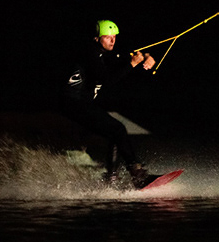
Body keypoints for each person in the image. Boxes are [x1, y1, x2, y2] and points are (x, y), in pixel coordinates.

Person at [60, 19, 157, 188]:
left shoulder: (106, 51)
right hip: (72, 104)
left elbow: (130, 52)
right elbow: (107, 80)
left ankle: (111, 178)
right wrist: (132, 63)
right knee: (118, 128)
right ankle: (137, 175)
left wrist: (147, 57)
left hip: (84, 104)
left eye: (114, 37)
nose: (112, 41)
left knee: (115, 132)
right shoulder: (89, 53)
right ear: (97, 38)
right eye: (107, 37)